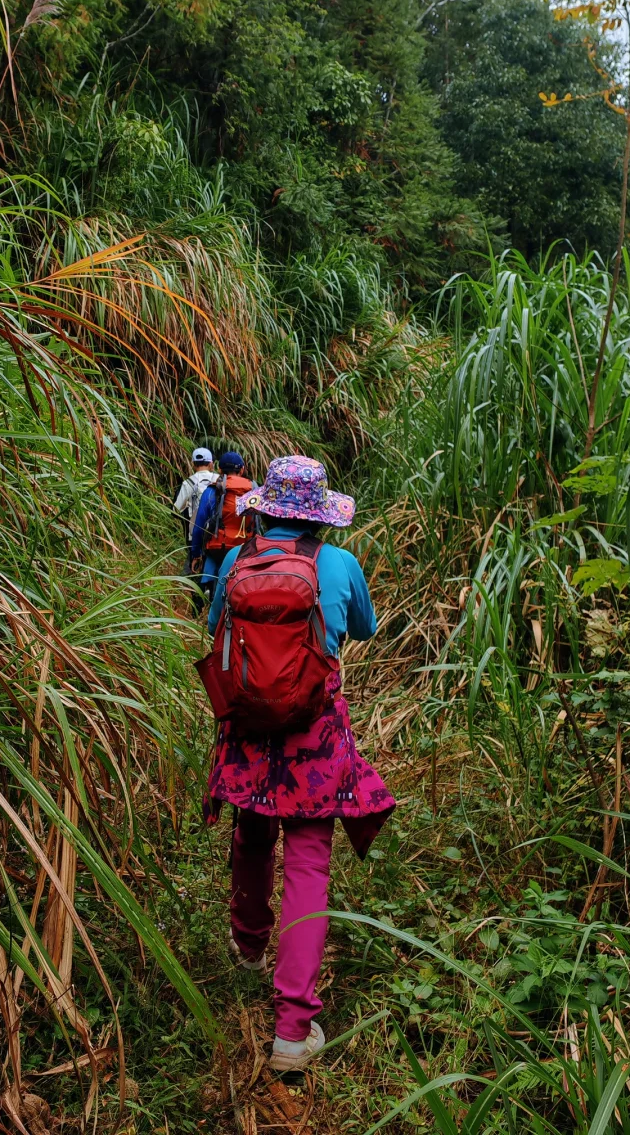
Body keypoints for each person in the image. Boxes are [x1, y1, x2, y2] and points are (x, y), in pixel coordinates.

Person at [204, 455, 395, 1074]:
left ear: (268, 508)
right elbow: (362, 627)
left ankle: (249, 945)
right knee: (308, 863)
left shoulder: (237, 562)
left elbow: (216, 628)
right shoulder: (339, 565)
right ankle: (292, 1031)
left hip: (249, 728)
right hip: (313, 729)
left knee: (251, 834)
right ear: (319, 516)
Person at [190, 451, 253, 601]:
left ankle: (211, 602)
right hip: (246, 549)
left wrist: (196, 553)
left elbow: (199, 524)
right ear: (242, 469)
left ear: (219, 469)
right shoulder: (253, 490)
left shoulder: (213, 491)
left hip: (218, 548)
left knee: (215, 578)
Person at [173, 447, 217, 575]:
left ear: (193, 464)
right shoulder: (219, 480)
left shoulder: (189, 482)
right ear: (210, 463)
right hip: (217, 530)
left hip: (194, 531)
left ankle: (190, 587)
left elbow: (177, 508)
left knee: (193, 564)